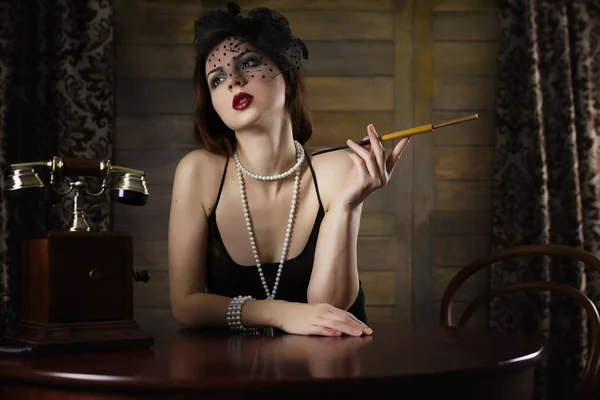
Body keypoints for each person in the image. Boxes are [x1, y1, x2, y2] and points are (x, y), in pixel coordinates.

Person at [168, 2, 410, 337]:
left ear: (286, 74)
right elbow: (185, 305)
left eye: (248, 63)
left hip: (328, 363)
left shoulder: (337, 169)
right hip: (229, 366)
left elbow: (329, 310)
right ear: (212, 105)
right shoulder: (197, 173)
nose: (233, 81)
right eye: (217, 79)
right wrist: (279, 314)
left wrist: (347, 206)